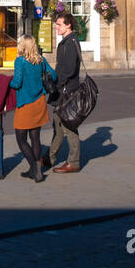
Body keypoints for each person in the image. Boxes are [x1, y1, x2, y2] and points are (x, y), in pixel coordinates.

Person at [9, 34, 54, 183]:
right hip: (39, 102)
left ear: (23, 46)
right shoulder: (41, 60)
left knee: (21, 139)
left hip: (25, 104)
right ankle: (35, 170)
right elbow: (53, 75)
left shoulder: (20, 61)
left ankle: (34, 169)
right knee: (35, 138)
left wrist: (7, 82)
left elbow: (17, 82)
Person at [47, 12, 83, 174]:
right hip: (62, 90)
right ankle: (50, 157)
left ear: (68, 25)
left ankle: (73, 162)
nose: (56, 26)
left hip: (67, 92)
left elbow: (68, 70)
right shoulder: (66, 42)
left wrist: (55, 85)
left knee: (69, 127)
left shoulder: (71, 42)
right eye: (56, 24)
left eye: (59, 24)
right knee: (57, 125)